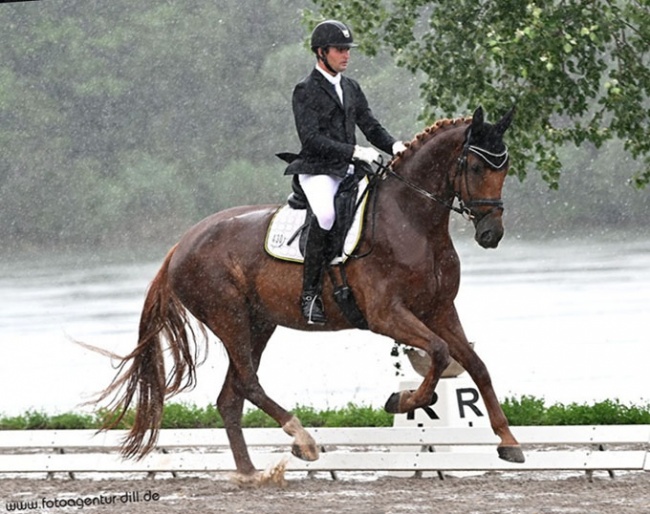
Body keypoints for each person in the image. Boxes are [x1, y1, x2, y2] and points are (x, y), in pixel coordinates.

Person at [284, 19, 407, 325]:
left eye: (347, 50)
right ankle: (310, 293)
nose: (346, 55)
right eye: (340, 50)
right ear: (321, 52)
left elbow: (369, 125)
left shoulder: (351, 87)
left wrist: (395, 147)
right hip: (318, 170)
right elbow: (311, 139)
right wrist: (353, 151)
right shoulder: (305, 90)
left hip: (350, 169)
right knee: (325, 215)